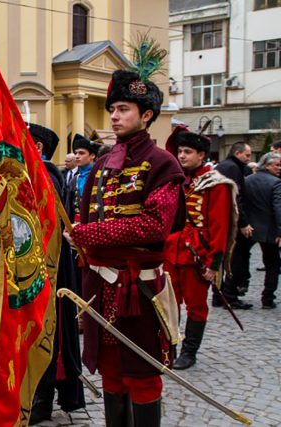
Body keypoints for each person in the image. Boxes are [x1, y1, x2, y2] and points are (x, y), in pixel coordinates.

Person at [68, 67, 184, 426]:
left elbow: (153, 225)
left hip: (140, 290)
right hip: (101, 287)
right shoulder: (102, 163)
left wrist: (88, 235)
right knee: (111, 373)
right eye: (112, 109)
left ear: (146, 115)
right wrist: (77, 231)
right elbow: (86, 217)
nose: (115, 117)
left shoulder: (164, 164)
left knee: (143, 375)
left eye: (123, 109)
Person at [163, 128, 236, 370]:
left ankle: (189, 351)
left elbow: (219, 226)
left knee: (196, 305)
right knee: (169, 302)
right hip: (172, 250)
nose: (181, 156)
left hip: (197, 254)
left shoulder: (217, 184)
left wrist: (213, 263)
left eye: (187, 152)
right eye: (180, 151)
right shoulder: (177, 180)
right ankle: (170, 346)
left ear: (201, 155)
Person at [27, 123, 85, 424]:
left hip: (49, 269)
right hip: (26, 267)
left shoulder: (46, 175)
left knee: (48, 331)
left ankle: (43, 397)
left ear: (36, 147)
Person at [216, 142, 254, 309]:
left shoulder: (225, 165)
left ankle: (220, 296)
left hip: (223, 219)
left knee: (225, 260)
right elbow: (235, 197)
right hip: (230, 221)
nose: (249, 158)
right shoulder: (232, 168)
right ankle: (229, 296)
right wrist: (243, 222)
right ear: (238, 153)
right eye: (247, 154)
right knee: (234, 259)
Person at [243, 153, 281, 309]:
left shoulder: (247, 180)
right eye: (277, 165)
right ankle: (267, 298)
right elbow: (278, 208)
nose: (279, 168)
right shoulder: (276, 183)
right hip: (268, 229)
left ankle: (232, 290)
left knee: (241, 257)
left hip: (248, 228)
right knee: (273, 264)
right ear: (266, 165)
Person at [66, 134, 99, 225]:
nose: (76, 156)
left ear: (92, 155)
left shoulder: (99, 177)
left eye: (81, 153)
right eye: (76, 153)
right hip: (76, 224)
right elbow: (69, 208)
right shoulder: (74, 179)